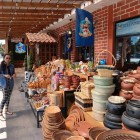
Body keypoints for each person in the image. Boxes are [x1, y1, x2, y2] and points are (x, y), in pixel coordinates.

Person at [0, 54, 16, 120]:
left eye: (9, 58)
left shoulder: (12, 66)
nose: (8, 59)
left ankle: (6, 110)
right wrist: (5, 75)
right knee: (5, 97)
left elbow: (13, 73)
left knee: (8, 97)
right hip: (4, 84)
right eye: (7, 58)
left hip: (11, 83)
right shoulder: (1, 66)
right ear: (4, 58)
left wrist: (14, 74)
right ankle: (0, 112)